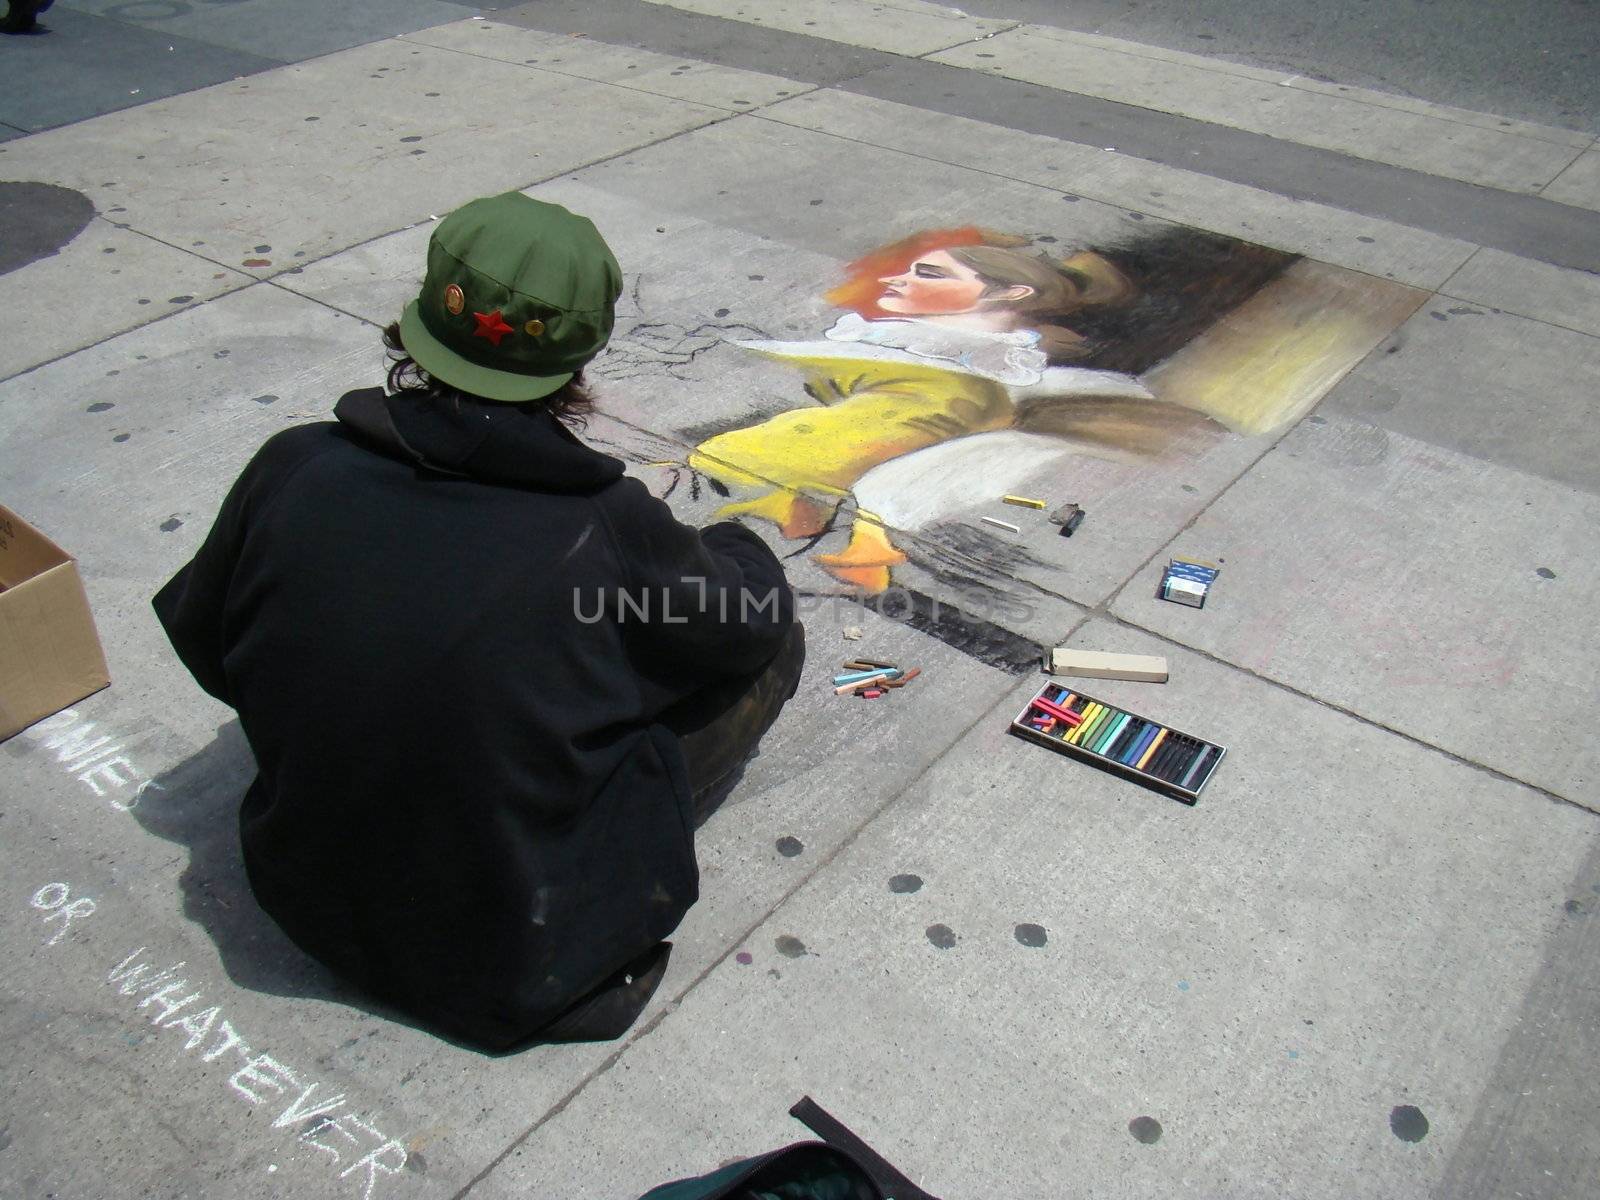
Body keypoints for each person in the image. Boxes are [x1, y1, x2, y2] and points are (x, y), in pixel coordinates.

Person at [153, 192, 803, 1052]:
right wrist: (737, 542)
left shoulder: (294, 464)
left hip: (305, 895)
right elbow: (746, 624)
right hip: (517, 960)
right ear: (582, 355)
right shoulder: (604, 526)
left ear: (424, 313)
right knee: (770, 639)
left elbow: (209, 642)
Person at [686, 231, 1218, 592]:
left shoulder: (972, 376)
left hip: (816, 466)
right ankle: (809, 510)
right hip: (817, 471)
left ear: (1010, 292)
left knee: (736, 458)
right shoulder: (920, 350)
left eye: (930, 274)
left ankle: (833, 522)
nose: (897, 280)